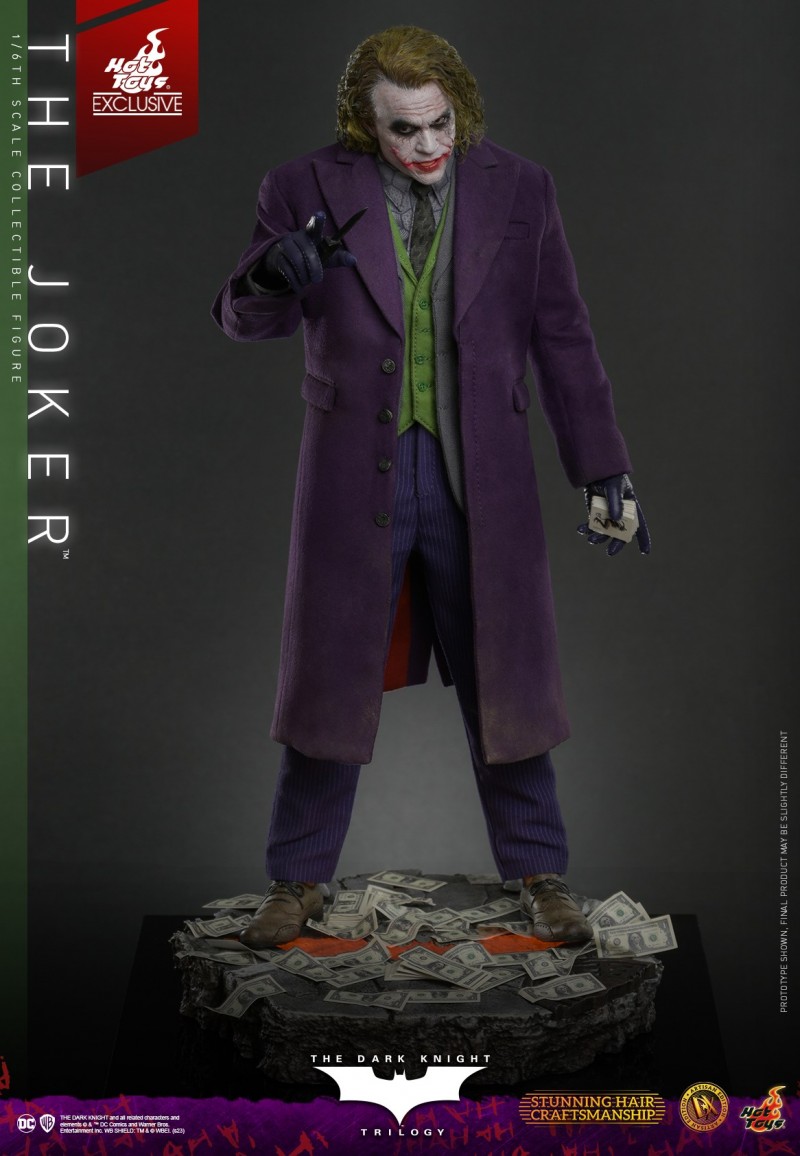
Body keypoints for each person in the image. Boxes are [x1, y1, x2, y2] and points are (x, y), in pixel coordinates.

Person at [212, 25, 649, 950]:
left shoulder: (522, 188)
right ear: (364, 124)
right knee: (331, 680)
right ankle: (296, 880)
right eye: (402, 129)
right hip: (351, 475)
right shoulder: (299, 185)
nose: (426, 145)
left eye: (439, 123)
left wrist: (603, 465)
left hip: (480, 475)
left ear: (460, 107)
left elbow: (562, 333)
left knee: (507, 677)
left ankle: (540, 872)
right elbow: (243, 318)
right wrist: (271, 274)